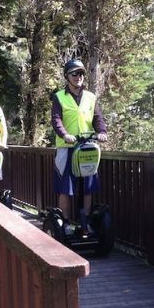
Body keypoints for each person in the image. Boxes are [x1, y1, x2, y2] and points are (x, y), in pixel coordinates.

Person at [51, 59, 108, 235]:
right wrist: (64, 134)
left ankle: (87, 223)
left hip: (87, 147)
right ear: (67, 76)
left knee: (88, 188)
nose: (79, 77)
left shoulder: (91, 97)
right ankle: (66, 223)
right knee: (65, 188)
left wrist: (102, 132)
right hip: (67, 147)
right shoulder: (59, 96)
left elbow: (97, 118)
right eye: (74, 74)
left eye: (81, 73)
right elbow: (56, 119)